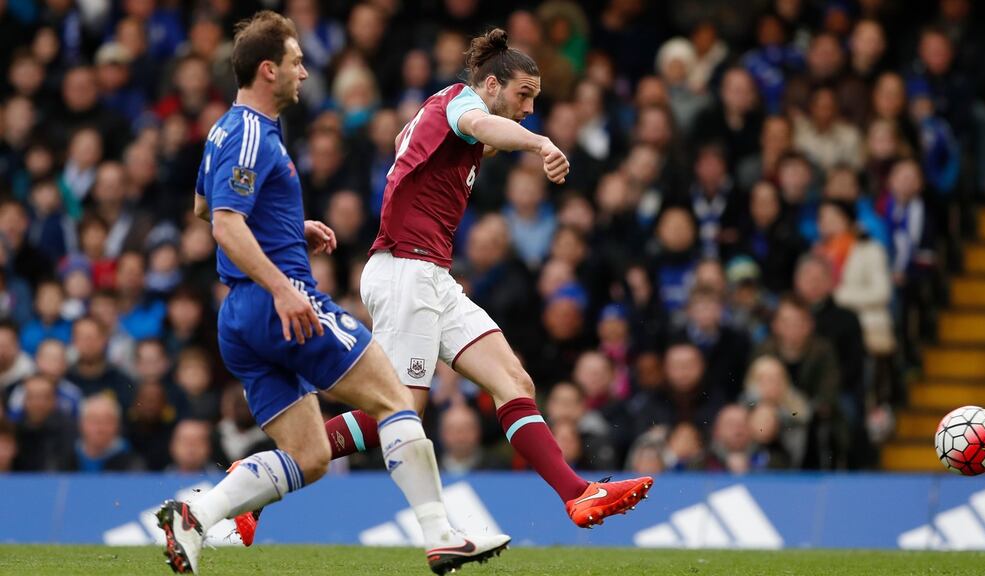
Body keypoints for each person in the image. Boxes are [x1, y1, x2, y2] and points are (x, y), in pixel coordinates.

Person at [233, 27, 653, 543]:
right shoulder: (463, 103)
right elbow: (477, 122)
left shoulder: (441, 109)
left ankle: (576, 493)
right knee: (399, 411)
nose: (528, 109)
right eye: (524, 95)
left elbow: (409, 142)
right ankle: (254, 481)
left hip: (431, 275)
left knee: (514, 383)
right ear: (492, 84)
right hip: (405, 269)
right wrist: (541, 142)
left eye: (535, 103)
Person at [157, 13, 509, 576]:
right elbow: (223, 223)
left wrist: (289, 228)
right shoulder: (250, 130)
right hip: (281, 303)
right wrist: (282, 287)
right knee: (395, 398)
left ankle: (196, 513)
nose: (304, 71)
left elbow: (205, 206)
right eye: (296, 61)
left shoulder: (226, 129)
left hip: (241, 317)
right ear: (268, 69)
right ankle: (440, 534)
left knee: (310, 455)